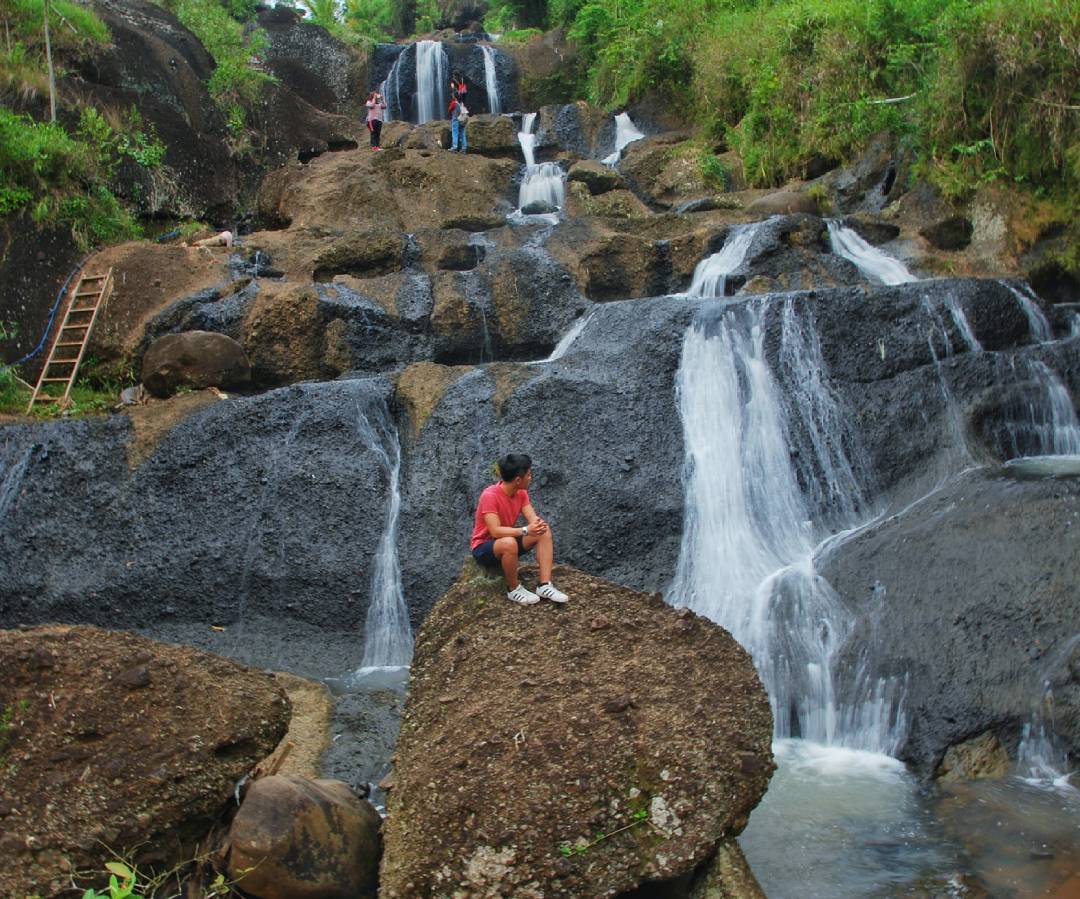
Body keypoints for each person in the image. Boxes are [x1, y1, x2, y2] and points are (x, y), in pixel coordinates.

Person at [470, 453, 568, 605]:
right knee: (509, 543)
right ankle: (513, 589)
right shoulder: (489, 495)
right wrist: (525, 530)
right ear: (517, 480)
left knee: (543, 530)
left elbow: (533, 519)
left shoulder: (521, 493)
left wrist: (537, 525)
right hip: (484, 548)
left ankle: (544, 585)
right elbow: (495, 531)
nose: (531, 478)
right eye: (528, 475)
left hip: (507, 541)